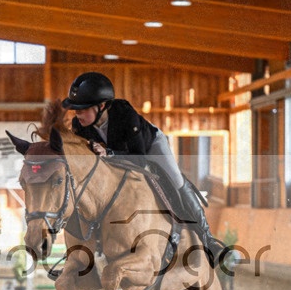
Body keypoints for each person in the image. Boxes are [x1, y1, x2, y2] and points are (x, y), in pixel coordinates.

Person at [61, 72, 226, 267]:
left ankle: (208, 239)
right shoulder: (78, 127)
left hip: (150, 148)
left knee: (175, 180)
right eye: (75, 110)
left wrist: (109, 153)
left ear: (102, 106)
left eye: (83, 109)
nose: (77, 114)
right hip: (115, 161)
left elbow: (139, 158)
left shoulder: (125, 114)